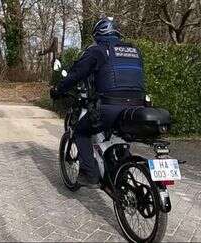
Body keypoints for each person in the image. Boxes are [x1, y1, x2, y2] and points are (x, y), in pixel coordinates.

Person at [50, 17, 146, 187]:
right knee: (120, 134)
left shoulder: (98, 50)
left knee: (81, 131)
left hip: (111, 106)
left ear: (98, 34)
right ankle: (121, 170)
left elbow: (76, 74)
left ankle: (90, 174)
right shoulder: (134, 51)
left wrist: (58, 90)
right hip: (138, 107)